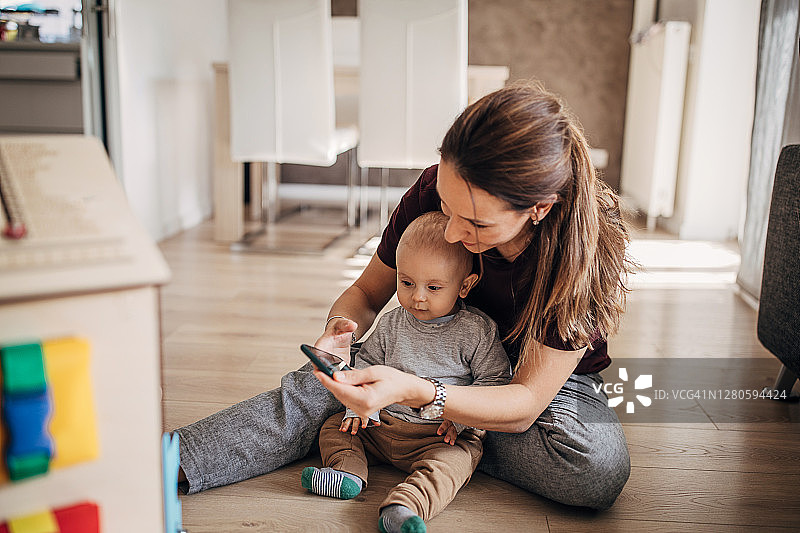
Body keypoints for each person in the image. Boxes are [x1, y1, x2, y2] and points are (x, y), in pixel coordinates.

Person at [176, 81, 632, 511]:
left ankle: (396, 433)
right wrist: (340, 332)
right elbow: (366, 294)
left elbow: (527, 402)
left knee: (594, 468)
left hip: (538, 384)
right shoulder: (432, 188)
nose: (453, 232)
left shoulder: (583, 253)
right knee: (321, 386)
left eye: (475, 223)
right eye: (448, 209)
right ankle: (172, 460)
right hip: (428, 348)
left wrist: (421, 395)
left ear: (539, 208)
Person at [302, 211, 510, 533]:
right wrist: (355, 406)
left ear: (465, 286)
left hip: (440, 435)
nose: (418, 297)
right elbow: (365, 365)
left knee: (453, 464)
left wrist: (459, 419)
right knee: (334, 427)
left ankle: (404, 507)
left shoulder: (476, 331)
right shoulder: (391, 323)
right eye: (407, 282)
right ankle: (346, 474)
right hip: (382, 425)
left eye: (434, 287)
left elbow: (494, 382)